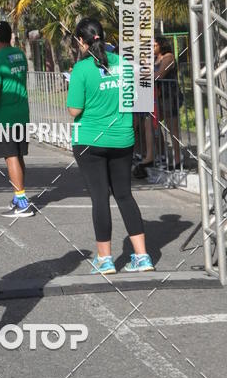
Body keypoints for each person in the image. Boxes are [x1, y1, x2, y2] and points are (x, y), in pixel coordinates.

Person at [67, 18, 154, 274]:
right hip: (122, 139)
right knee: (124, 195)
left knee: (99, 197)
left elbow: (75, 110)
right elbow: (137, 97)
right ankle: (143, 256)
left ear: (81, 41)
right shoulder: (125, 64)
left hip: (89, 140)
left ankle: (105, 259)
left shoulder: (81, 70)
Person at [0, 21, 35, 218]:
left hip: (5, 116)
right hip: (22, 112)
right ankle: (18, 196)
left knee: (10, 156)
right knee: (18, 155)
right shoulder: (19, 54)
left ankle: (22, 201)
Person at [154, 36, 182, 170]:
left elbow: (159, 74)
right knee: (151, 125)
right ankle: (161, 155)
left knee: (172, 128)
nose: (151, 48)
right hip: (158, 97)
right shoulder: (154, 58)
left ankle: (177, 159)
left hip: (170, 96)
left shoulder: (168, 57)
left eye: (154, 45)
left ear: (161, 45)